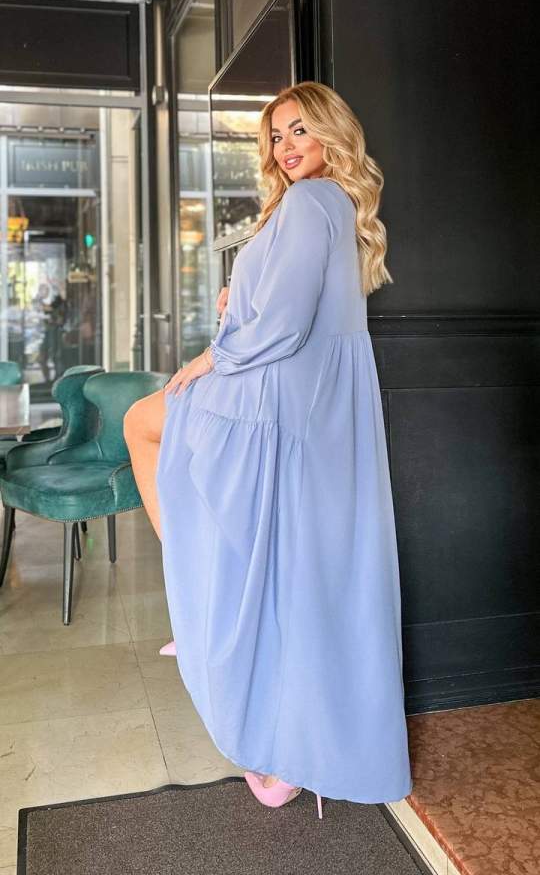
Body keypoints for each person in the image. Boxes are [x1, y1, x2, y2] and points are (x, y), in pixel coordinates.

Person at [124, 81, 413, 819]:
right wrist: (237, 301)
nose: (286, 147)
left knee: (145, 427)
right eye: (276, 135)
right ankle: (287, 755)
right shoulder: (325, 205)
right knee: (296, 569)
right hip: (310, 398)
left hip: (277, 392)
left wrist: (210, 356)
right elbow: (292, 306)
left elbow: (283, 325)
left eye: (299, 131)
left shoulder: (313, 201)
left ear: (330, 134)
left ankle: (199, 609)